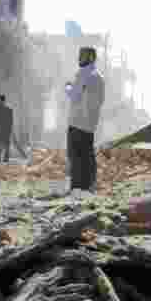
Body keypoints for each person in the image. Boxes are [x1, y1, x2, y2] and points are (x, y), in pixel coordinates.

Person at [65, 46, 105, 192]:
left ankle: (77, 189)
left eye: (81, 56)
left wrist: (68, 87)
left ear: (89, 58)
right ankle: (89, 187)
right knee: (87, 157)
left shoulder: (83, 74)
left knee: (75, 158)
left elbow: (74, 96)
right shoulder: (99, 77)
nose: (79, 59)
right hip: (90, 125)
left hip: (77, 122)